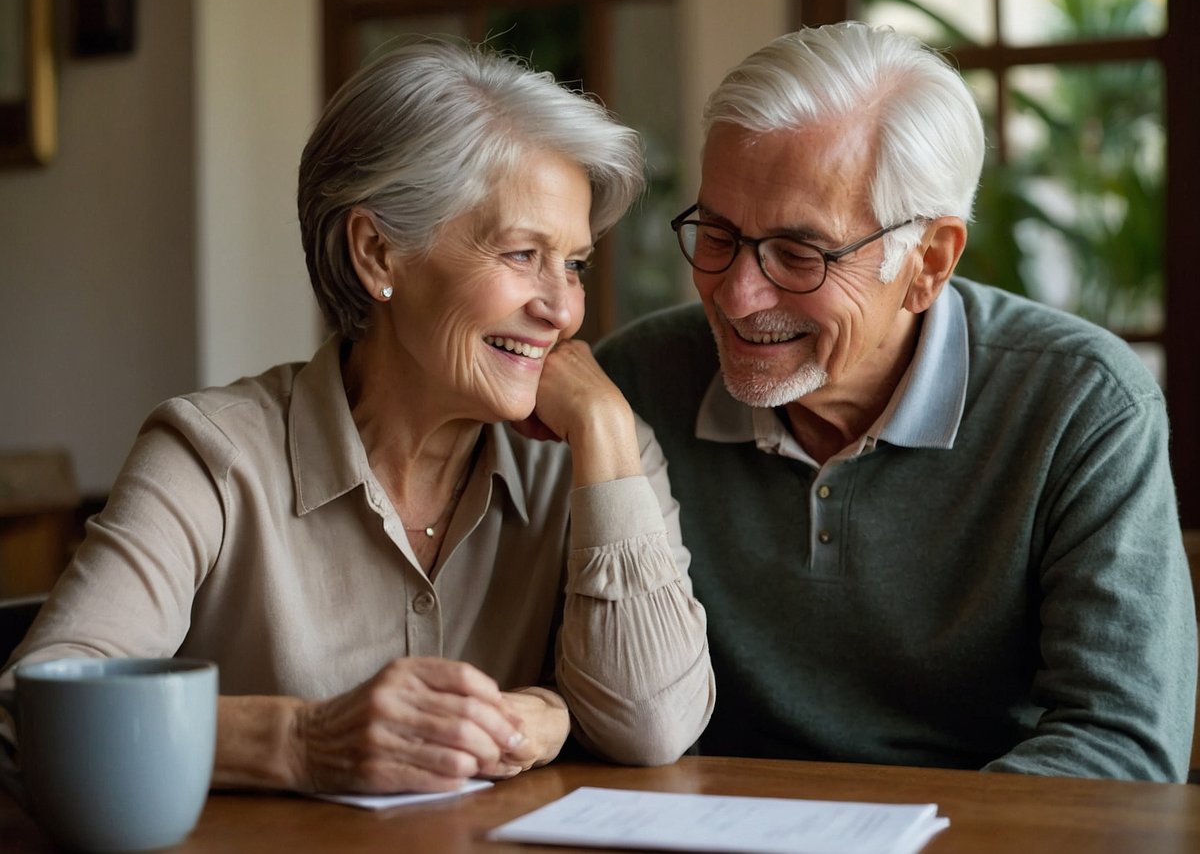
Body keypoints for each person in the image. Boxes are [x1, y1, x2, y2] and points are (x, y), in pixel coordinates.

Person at [1, 39, 714, 794]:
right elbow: (33, 715)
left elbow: (652, 729)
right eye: (520, 255)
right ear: (377, 253)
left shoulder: (604, 453)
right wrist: (301, 740)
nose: (562, 308)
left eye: (572, 264)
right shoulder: (209, 457)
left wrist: (604, 429)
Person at [596, 21, 1196, 781]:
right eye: (717, 235)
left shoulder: (1085, 405)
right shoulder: (635, 385)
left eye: (799, 253)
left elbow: (1122, 746)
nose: (738, 296)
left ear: (928, 262)